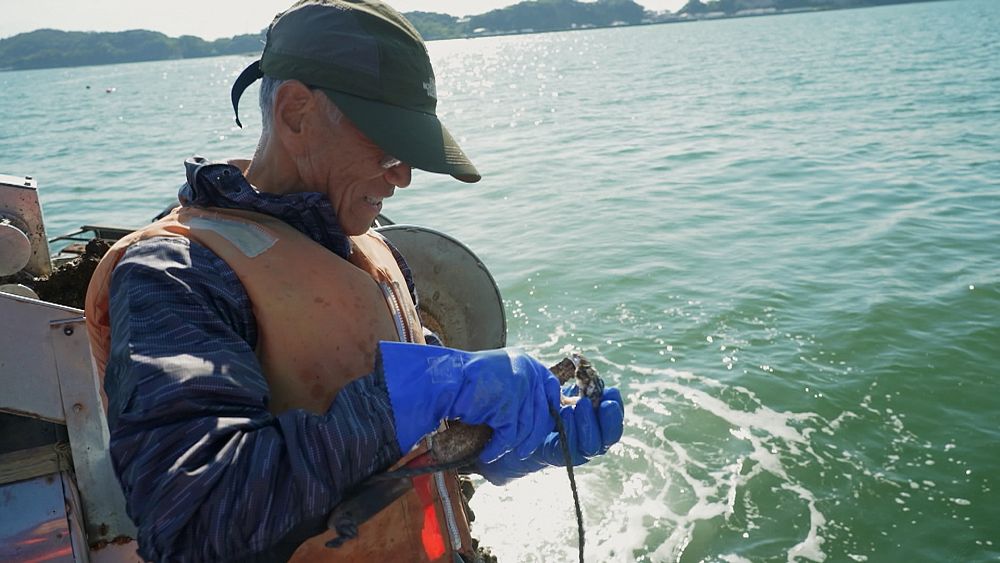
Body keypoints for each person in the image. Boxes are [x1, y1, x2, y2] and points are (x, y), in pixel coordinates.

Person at [84, 1, 624, 561]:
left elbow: (408, 436)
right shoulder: (175, 274)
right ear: (296, 113)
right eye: (389, 147)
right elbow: (194, 524)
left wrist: (498, 444)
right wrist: (424, 391)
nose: (404, 177)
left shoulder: (374, 250)